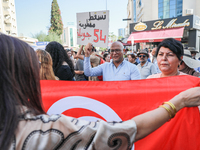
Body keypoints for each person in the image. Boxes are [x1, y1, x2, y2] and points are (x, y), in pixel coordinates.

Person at [1, 34, 200, 149]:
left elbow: (137, 95)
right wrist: (87, 57)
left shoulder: (137, 71)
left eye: (170, 55)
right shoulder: (44, 129)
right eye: (161, 55)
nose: (164, 59)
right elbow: (88, 73)